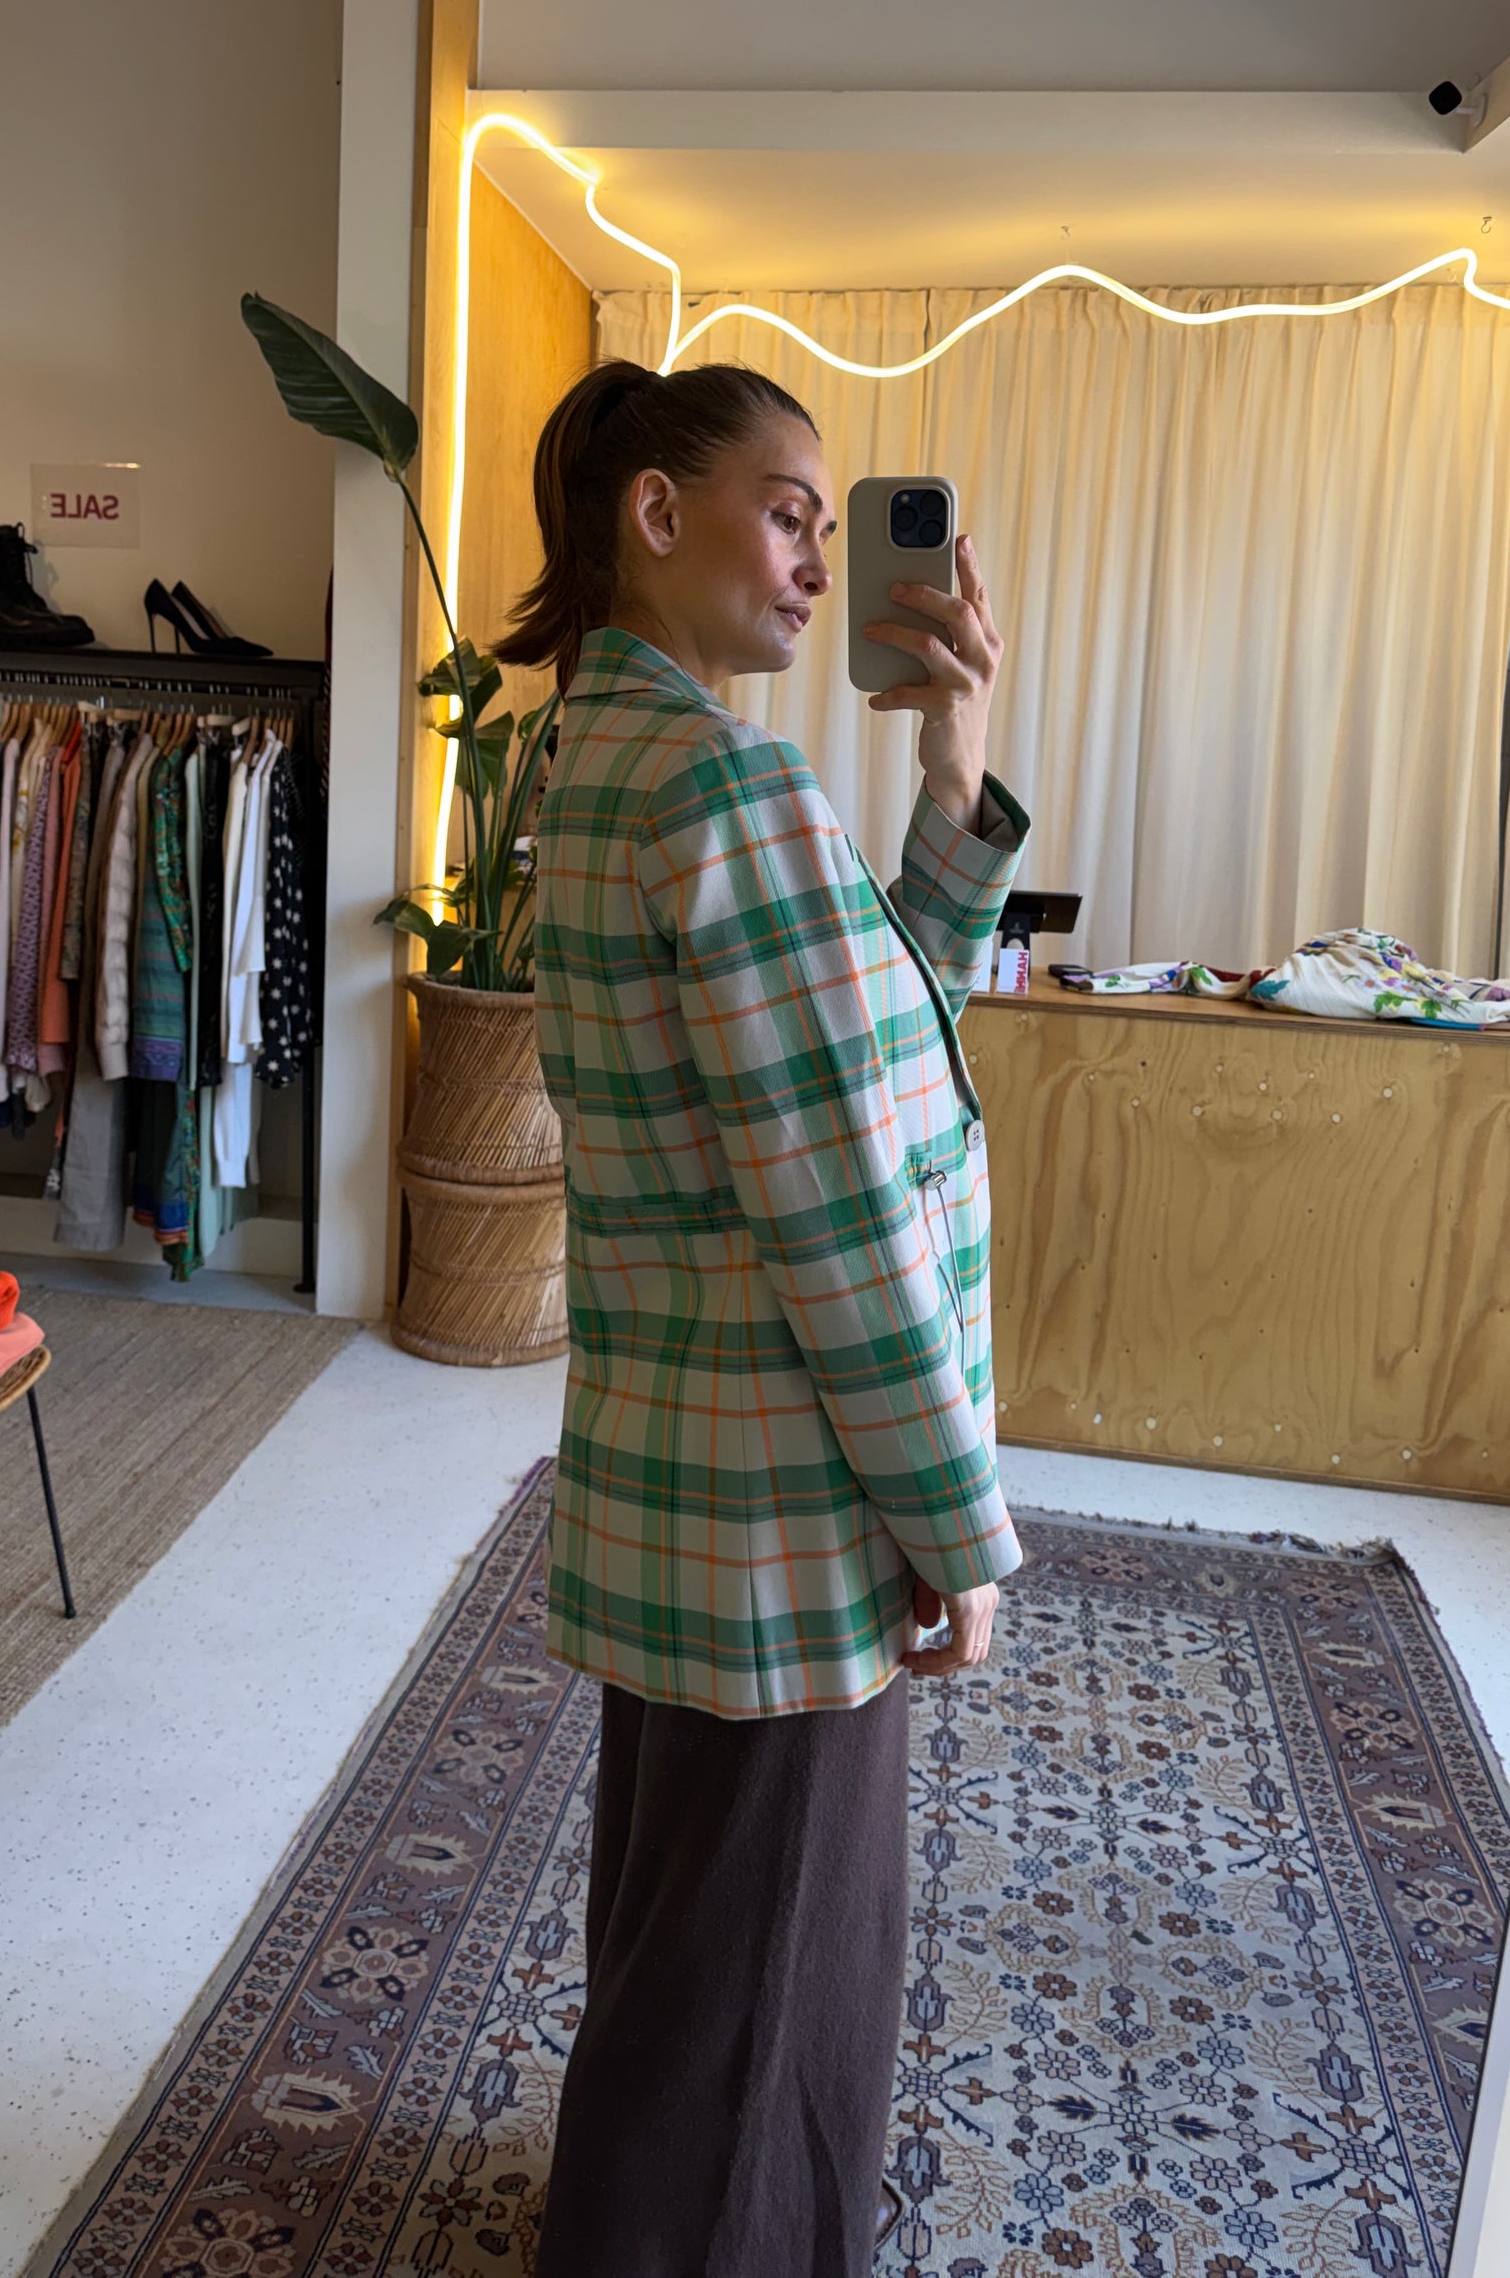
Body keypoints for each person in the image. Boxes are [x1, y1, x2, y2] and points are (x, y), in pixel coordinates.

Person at [498, 357, 1028, 2278]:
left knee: (690, 1939)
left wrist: (952, 781)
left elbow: (865, 1052)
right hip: (790, 1504)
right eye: (788, 512)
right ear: (657, 513)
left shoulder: (599, 761)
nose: (817, 558)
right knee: (769, 1995)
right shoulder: (726, 789)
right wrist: (954, 1526)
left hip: (681, 1470)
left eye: (824, 523)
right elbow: (848, 1211)